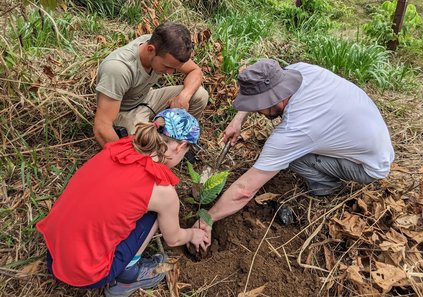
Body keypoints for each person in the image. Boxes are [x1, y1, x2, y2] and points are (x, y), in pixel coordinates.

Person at [193, 59, 395, 245]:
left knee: (293, 158)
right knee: (289, 151)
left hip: (368, 166)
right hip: (369, 135)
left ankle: (326, 187)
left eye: (258, 108)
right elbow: (261, 89)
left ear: (271, 99)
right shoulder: (297, 71)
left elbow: (245, 190)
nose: (258, 113)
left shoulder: (298, 128)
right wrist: (237, 120)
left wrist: (208, 218)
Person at [37, 108, 209, 297]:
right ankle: (129, 275)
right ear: (180, 146)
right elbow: (173, 238)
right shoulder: (162, 192)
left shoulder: (122, 147)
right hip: (87, 273)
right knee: (155, 214)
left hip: (54, 253)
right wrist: (193, 234)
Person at [93, 22, 209, 147]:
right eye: (167, 67)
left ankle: (176, 142)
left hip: (147, 98)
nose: (170, 73)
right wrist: (123, 157)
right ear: (150, 50)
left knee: (199, 95)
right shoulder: (118, 69)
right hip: (124, 111)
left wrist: (184, 96)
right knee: (145, 143)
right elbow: (102, 127)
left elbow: (195, 71)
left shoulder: (163, 47)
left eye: (174, 68)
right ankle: (154, 149)